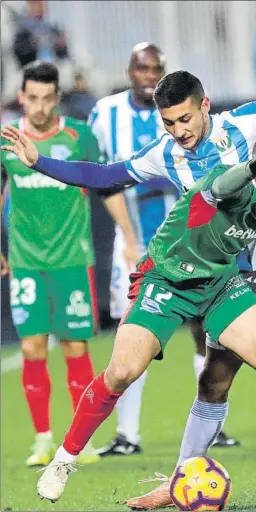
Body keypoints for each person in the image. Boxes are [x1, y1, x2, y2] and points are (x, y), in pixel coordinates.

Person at [1, 0, 256, 493]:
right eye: (169, 123)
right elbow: (103, 175)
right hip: (222, 275)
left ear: (206, 104)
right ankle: (172, 481)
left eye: (186, 119)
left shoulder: (247, 126)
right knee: (211, 380)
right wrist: (40, 161)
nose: (179, 131)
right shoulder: (165, 156)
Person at [5, 128, 256, 504]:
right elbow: (220, 190)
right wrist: (254, 166)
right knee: (122, 370)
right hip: (166, 279)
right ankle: (63, 461)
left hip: (219, 283)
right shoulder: (227, 180)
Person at [89, 42, 238, 456]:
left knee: (203, 331)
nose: (149, 75)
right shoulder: (105, 114)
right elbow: (104, 177)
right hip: (135, 239)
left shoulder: (178, 109)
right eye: (142, 68)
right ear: (129, 70)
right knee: (131, 333)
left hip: (189, 241)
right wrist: (128, 237)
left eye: (156, 68)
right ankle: (127, 435)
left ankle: (213, 424)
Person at [0, 61, 137, 467]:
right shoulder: (7, 140)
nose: (39, 107)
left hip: (73, 260)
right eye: (31, 98)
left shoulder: (80, 136)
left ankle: (82, 441)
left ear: (57, 98)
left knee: (76, 346)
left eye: (46, 98)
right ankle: (42, 439)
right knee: (32, 346)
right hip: (26, 262)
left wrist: (129, 238)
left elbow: (106, 186)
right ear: (21, 97)